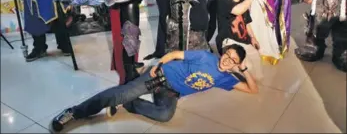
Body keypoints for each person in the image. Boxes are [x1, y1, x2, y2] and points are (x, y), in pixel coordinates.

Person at [50, 44, 258, 133]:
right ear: (222, 53)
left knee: (165, 115)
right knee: (118, 94)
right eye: (227, 55)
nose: (227, 61)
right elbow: (175, 54)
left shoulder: (225, 78)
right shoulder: (206, 57)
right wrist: (158, 65)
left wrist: (245, 69)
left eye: (233, 60)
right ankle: (73, 112)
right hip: (159, 75)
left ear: (236, 64)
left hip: (170, 93)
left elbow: (252, 90)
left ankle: (130, 103)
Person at [216, 0, 264, 80]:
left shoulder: (243, 1)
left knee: (256, 59)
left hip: (243, 40)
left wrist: (253, 38)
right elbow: (238, 10)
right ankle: (229, 69)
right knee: (246, 67)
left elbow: (246, 22)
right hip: (228, 40)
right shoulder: (223, 0)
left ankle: (249, 78)